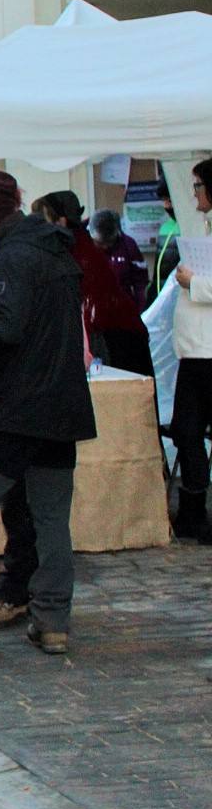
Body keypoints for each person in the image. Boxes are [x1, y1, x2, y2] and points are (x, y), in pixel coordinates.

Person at [0, 171, 94, 655]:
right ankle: (52, 621)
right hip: (62, 409)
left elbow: (4, 329)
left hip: (20, 412)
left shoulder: (13, 259)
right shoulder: (55, 252)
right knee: (51, 519)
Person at [34, 190, 148, 374]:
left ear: (61, 221)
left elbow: (88, 305)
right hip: (116, 333)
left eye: (43, 220)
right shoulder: (78, 246)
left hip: (114, 337)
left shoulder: (76, 252)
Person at [169, 158, 212, 543]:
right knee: (187, 431)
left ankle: (197, 512)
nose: (194, 193)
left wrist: (193, 281)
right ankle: (193, 510)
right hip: (195, 352)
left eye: (198, 186)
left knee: (191, 429)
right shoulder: (206, 229)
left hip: (208, 353)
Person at [89, 209, 149, 309]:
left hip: (123, 307)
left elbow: (140, 281)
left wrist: (140, 310)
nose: (105, 247)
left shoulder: (128, 245)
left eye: (108, 242)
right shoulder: (85, 246)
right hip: (94, 307)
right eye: (100, 243)